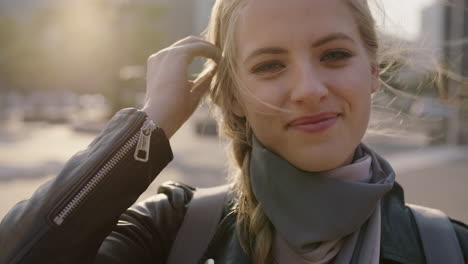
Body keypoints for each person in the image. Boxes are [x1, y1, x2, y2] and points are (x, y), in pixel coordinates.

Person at [1, 0, 467, 263]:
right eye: (269, 65)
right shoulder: (171, 231)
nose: (307, 89)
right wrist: (150, 123)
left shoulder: (448, 248)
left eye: (334, 55)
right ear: (233, 97)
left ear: (372, 70)